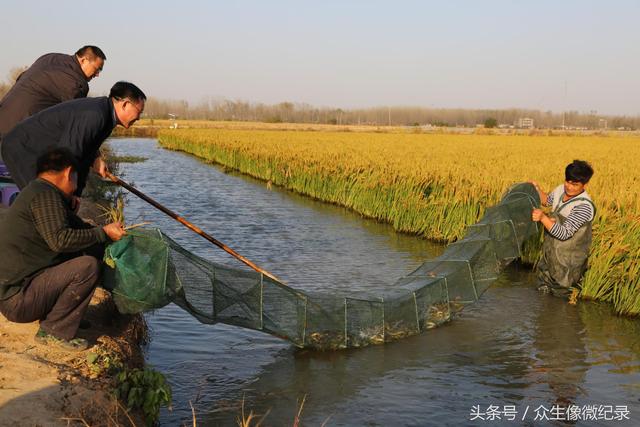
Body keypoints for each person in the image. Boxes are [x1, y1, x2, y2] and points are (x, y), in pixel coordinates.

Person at [0, 148, 126, 350]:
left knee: (85, 250)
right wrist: (103, 233)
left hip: (20, 293)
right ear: (68, 173)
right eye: (76, 175)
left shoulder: (41, 191)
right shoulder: (44, 196)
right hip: (17, 300)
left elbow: (81, 230)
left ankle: (63, 316)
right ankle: (54, 330)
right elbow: (61, 240)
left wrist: (105, 234)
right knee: (87, 266)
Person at [1, 81, 146, 196]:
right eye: (139, 111)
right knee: (41, 199)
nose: (139, 117)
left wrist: (76, 194)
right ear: (125, 104)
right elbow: (69, 155)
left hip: (36, 151)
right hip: (24, 148)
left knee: (52, 201)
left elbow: (85, 156)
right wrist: (68, 194)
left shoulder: (107, 118)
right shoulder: (96, 115)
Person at [0, 45, 106, 141]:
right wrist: (96, 156)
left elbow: (21, 77)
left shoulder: (50, 57)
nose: (97, 74)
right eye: (97, 69)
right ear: (84, 60)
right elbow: (77, 126)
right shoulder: (77, 83)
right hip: (19, 135)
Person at [530, 160, 595, 301]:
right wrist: (536, 189)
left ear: (584, 184)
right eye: (568, 181)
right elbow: (547, 201)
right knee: (542, 295)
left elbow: (564, 233)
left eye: (575, 184)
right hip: (550, 255)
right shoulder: (561, 189)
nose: (570, 187)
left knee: (560, 302)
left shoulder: (583, 206)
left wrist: (542, 217)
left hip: (568, 263)